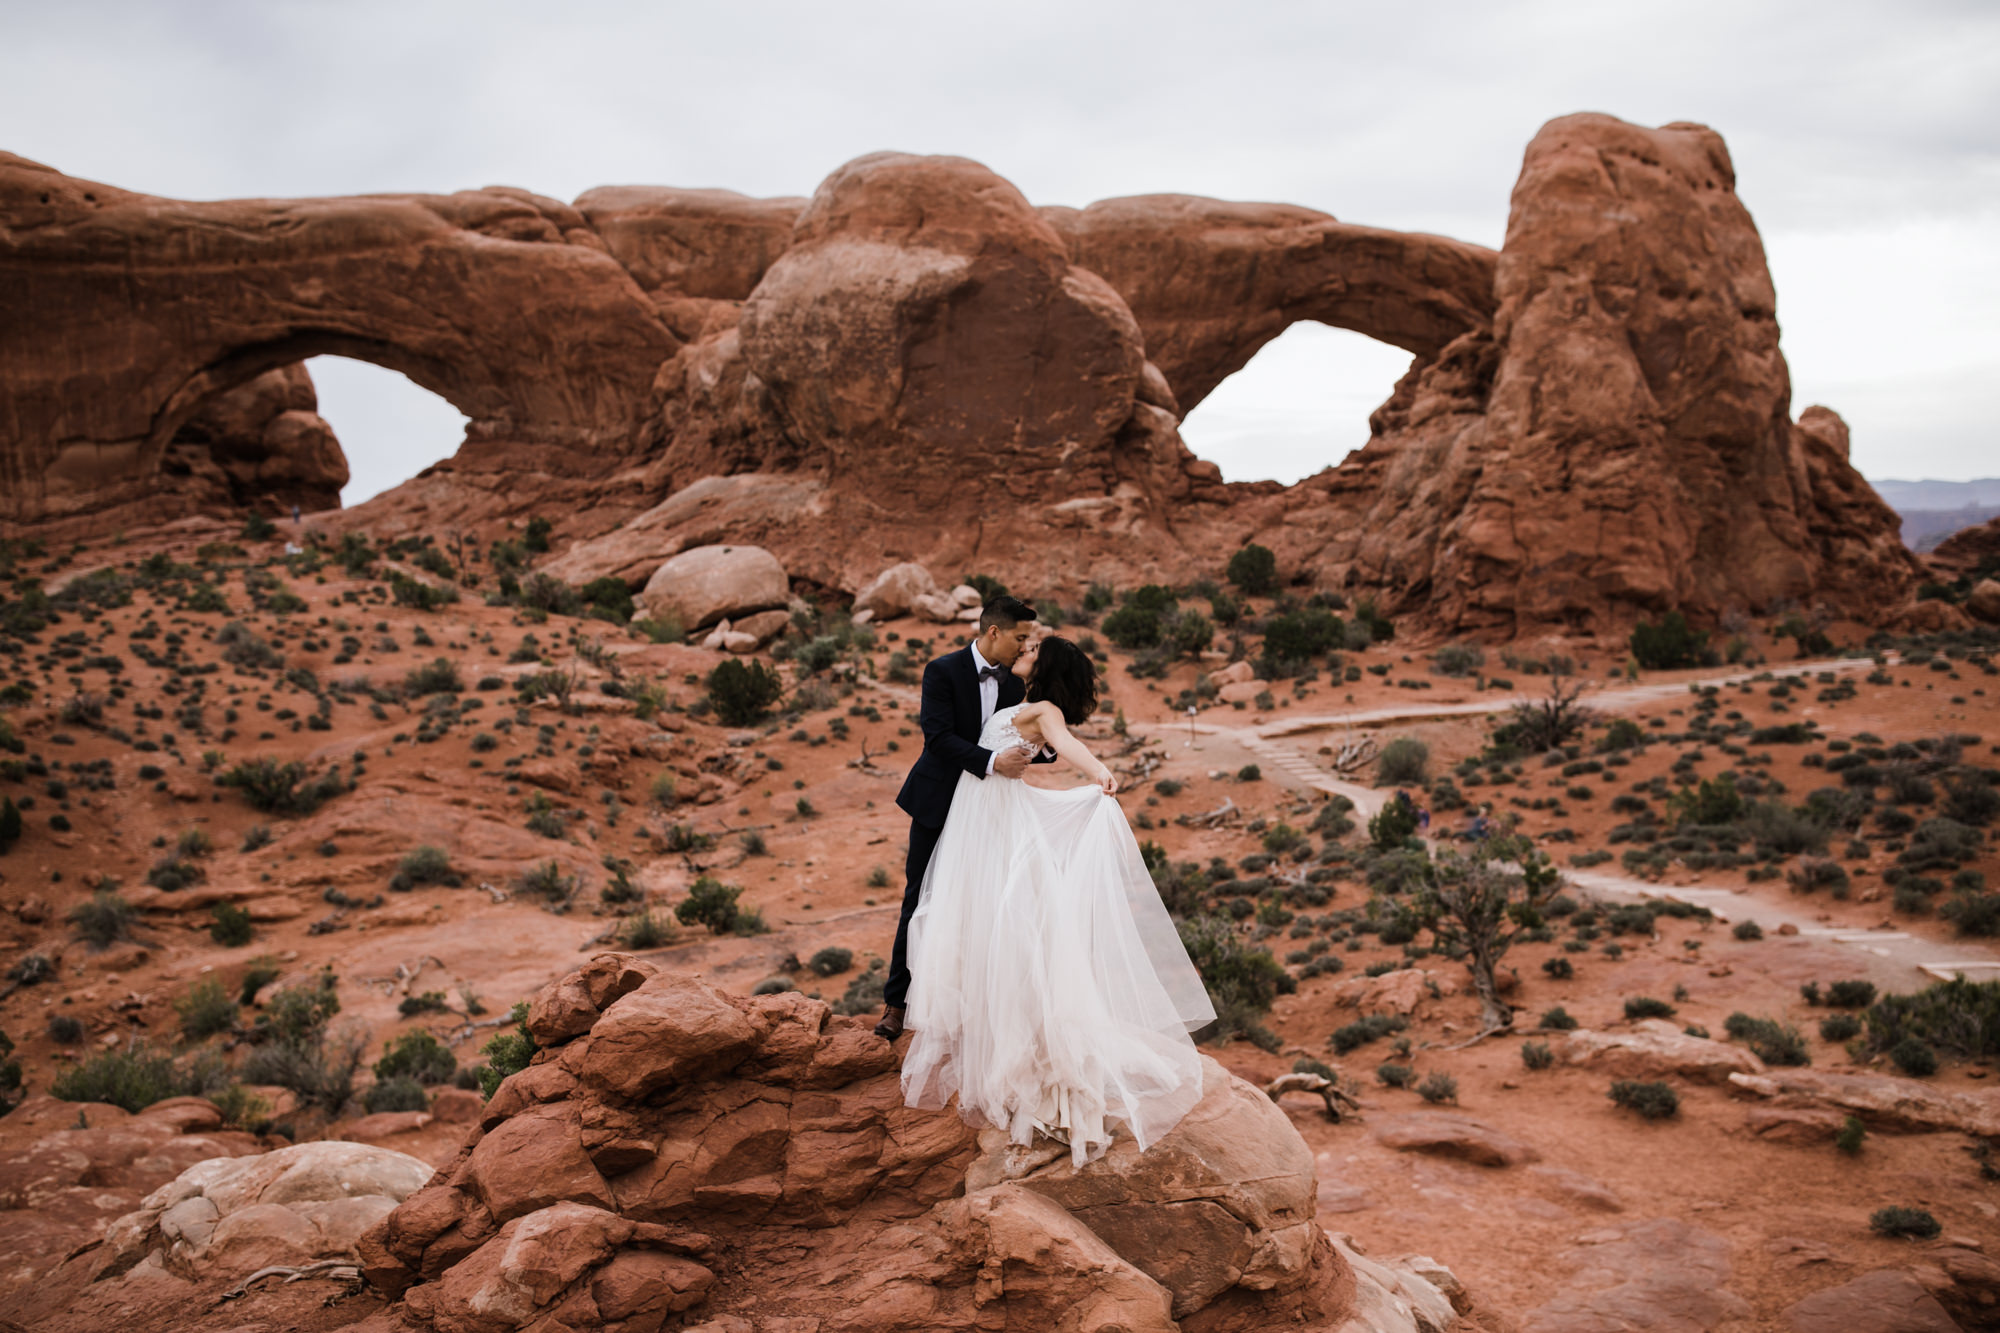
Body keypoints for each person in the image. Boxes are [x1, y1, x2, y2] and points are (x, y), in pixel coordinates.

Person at [897, 633, 1216, 1167]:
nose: (1026, 647)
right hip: (979, 822)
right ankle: (992, 1034)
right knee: (975, 921)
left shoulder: (1041, 708)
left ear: (1043, 667)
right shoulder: (1014, 703)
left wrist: (1098, 772)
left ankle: (1037, 1065)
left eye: (1034, 648)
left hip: (997, 822)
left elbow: (1066, 743)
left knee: (1008, 928)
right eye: (1025, 640)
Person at [877, 596, 1052, 1042]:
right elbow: (937, 738)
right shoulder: (941, 670)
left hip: (989, 812)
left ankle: (972, 1009)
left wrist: (1046, 746)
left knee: (984, 904)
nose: (1023, 646)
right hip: (939, 801)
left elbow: (1022, 736)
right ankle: (897, 1005)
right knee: (920, 898)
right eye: (1019, 637)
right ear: (994, 632)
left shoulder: (1015, 684)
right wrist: (993, 762)